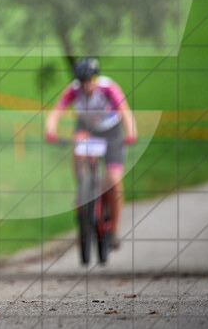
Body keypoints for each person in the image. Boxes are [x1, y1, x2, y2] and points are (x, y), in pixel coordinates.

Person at [45, 57, 138, 245]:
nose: (87, 86)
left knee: (113, 179)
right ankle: (83, 188)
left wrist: (131, 133)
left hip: (111, 132)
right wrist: (50, 131)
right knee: (78, 146)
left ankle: (114, 231)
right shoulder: (73, 90)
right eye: (82, 82)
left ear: (96, 78)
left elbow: (125, 111)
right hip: (86, 130)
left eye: (90, 81)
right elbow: (56, 111)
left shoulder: (108, 87)